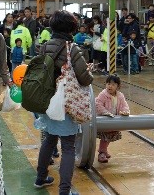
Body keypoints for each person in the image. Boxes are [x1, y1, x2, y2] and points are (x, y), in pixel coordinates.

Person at [34, 10, 93, 195]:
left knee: (49, 140)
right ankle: (64, 190)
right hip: (66, 103)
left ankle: (40, 177)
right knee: (68, 146)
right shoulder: (72, 49)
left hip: (48, 102)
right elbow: (84, 79)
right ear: (71, 28)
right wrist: (88, 72)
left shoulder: (44, 46)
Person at [95, 75, 130, 163]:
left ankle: (104, 150)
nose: (110, 86)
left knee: (108, 137)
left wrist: (125, 111)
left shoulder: (120, 96)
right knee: (105, 137)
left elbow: (124, 105)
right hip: (104, 120)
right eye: (108, 84)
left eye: (113, 84)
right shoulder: (103, 94)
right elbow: (98, 104)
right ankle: (101, 153)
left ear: (118, 86)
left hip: (114, 120)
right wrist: (105, 112)